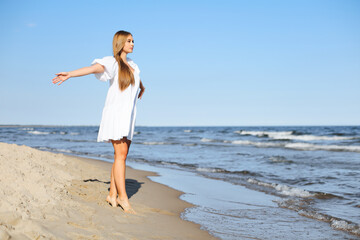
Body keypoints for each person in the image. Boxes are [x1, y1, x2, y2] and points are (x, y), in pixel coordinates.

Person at [52, 30, 145, 214]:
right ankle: (123, 198)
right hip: (116, 115)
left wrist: (142, 87)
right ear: (120, 43)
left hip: (128, 116)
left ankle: (111, 194)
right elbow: (93, 69)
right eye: (129, 41)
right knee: (121, 155)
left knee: (121, 156)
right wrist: (70, 74)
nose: (132, 43)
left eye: (133, 41)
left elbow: (135, 79)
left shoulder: (133, 64)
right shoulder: (112, 62)